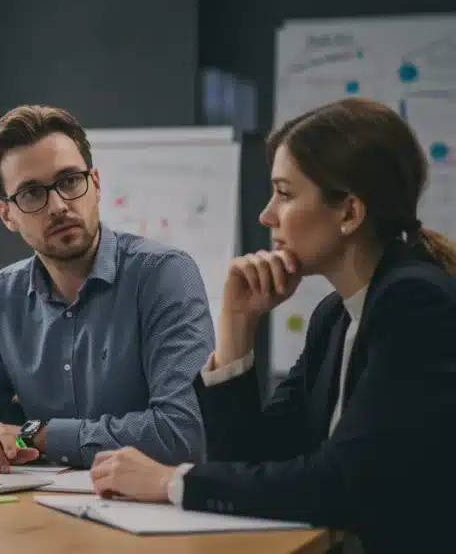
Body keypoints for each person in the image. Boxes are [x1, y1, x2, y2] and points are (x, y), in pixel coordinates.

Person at [88, 98, 456, 553]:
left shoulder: (415, 303)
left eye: (284, 193)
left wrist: (171, 481)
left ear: (349, 213)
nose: (266, 215)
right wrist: (237, 325)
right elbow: (253, 460)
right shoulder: (335, 316)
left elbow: (343, 483)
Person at [0, 105, 213, 473]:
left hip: (148, 514)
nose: (58, 205)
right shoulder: (4, 295)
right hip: (41, 513)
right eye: (30, 194)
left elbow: (182, 433)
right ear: (6, 215)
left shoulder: (164, 275)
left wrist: (34, 434)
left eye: (70, 181)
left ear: (96, 184)